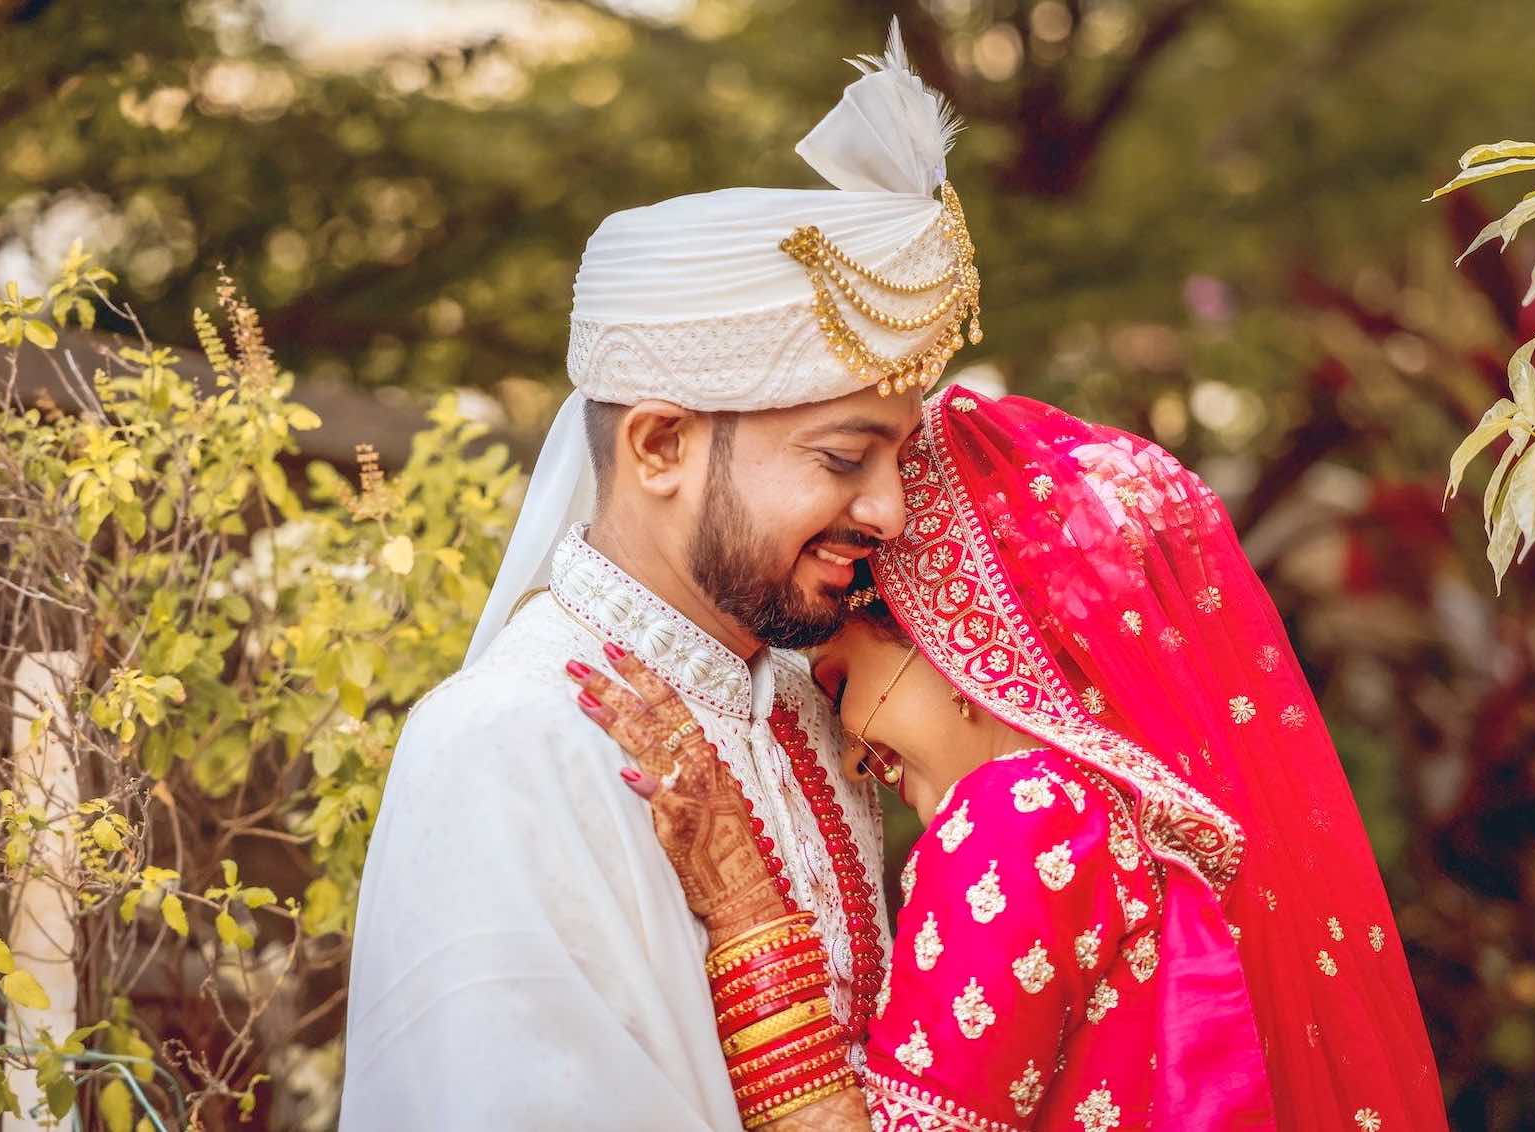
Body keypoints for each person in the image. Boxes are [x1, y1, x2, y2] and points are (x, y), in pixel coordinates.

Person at [340, 23, 986, 1129]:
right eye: (842, 458)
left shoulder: (809, 705)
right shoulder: (508, 741)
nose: (885, 508)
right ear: (657, 446)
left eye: (896, 459)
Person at [573, 387, 1451, 1130]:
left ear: (947, 639)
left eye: (841, 685)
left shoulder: (1020, 811)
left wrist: (744, 909)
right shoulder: (1119, 821)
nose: (845, 751)